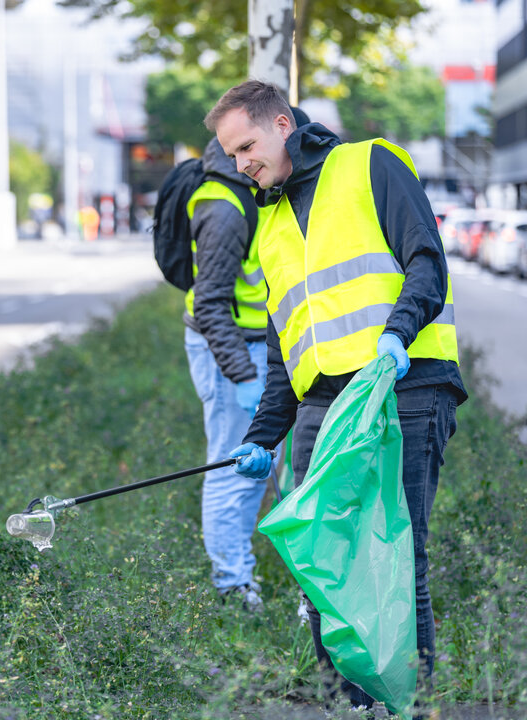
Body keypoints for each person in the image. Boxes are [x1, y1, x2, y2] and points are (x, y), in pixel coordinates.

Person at [206, 80, 466, 711]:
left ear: (282, 125)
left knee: (398, 556)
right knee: (322, 564)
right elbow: (283, 349)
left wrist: (397, 335)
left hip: (399, 386)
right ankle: (351, 705)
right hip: (322, 406)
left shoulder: (370, 164)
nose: (241, 164)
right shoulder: (267, 224)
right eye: (231, 155)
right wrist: (261, 438)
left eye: (246, 147)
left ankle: (411, 704)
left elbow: (426, 262)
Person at [181, 135, 273, 608]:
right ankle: (232, 586)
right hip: (230, 350)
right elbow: (210, 303)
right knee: (231, 466)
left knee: (252, 470)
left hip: (256, 346)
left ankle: (241, 576)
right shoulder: (224, 206)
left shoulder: (251, 191)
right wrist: (243, 376)